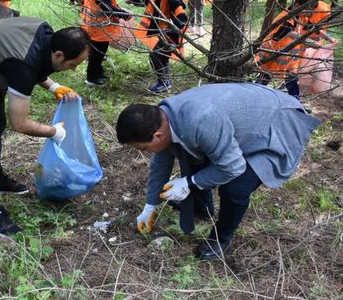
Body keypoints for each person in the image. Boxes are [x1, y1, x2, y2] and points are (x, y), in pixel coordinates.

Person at [116, 83, 320, 261]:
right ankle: (201, 208)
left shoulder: (199, 122)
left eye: (143, 148)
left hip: (276, 124)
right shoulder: (162, 118)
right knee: (189, 151)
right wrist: (150, 205)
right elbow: (162, 160)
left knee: (235, 188)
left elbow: (233, 167)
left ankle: (221, 240)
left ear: (158, 135)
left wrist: (190, 183)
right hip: (243, 123)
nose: (145, 153)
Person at [0, 17, 91, 237]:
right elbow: (19, 124)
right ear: (58, 54)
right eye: (73, 64)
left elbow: (37, 62)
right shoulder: (22, 66)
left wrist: (53, 86)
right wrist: (53, 132)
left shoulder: (46, 33)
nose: (73, 70)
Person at [255, 0, 321, 99]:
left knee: (291, 80)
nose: (308, 14)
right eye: (307, 10)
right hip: (272, 55)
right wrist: (312, 43)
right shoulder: (286, 19)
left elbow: (309, 27)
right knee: (264, 79)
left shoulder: (299, 15)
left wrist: (325, 38)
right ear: (297, 6)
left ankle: (296, 103)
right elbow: (293, 34)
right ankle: (253, 96)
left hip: (287, 58)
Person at [81, 0, 131, 86]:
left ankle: (97, 73)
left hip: (90, 25)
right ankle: (92, 78)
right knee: (97, 54)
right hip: (99, 28)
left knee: (97, 53)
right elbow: (108, 10)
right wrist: (125, 15)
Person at [134, 0, 188, 93]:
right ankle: (165, 82)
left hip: (170, 35)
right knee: (162, 57)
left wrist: (169, 31)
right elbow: (149, 1)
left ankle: (163, 82)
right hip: (163, 34)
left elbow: (182, 19)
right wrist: (134, 0)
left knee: (155, 55)